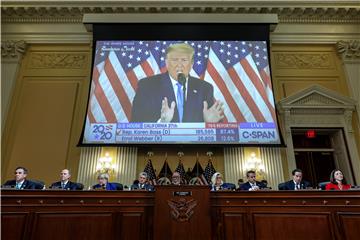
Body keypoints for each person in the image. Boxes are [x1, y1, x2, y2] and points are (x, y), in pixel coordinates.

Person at [131, 43, 224, 123]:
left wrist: (209, 124)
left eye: (184, 60)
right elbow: (136, 123)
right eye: (175, 60)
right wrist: (162, 123)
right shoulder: (147, 86)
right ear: (166, 63)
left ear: (191, 64)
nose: (179, 65)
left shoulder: (205, 88)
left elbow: (216, 133)